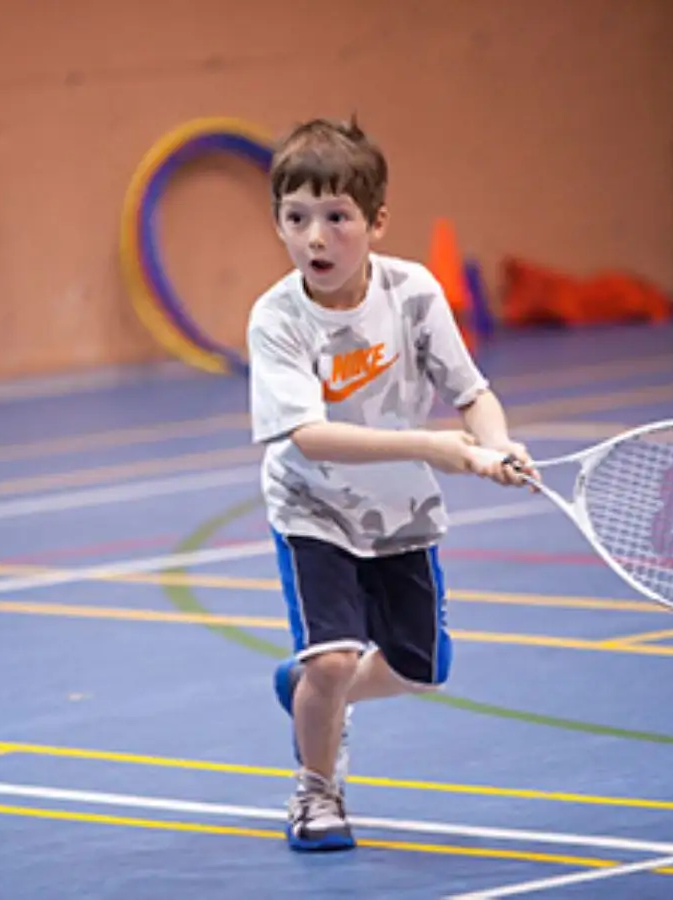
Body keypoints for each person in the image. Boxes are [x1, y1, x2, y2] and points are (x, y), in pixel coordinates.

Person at [245, 116, 537, 852]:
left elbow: (473, 393)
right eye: (296, 217)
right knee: (336, 656)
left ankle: (308, 689)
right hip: (312, 505)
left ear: (375, 222)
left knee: (421, 666)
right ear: (277, 221)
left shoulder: (413, 292)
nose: (316, 238)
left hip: (402, 512)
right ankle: (315, 792)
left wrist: (495, 447)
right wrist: (436, 447)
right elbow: (307, 435)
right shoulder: (277, 318)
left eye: (337, 217)